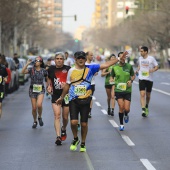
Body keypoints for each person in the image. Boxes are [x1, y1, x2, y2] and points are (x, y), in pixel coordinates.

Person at [56, 51, 123, 152]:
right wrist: (61, 97)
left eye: (83, 58)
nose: (81, 59)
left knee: (84, 124)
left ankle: (83, 143)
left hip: (86, 100)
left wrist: (118, 59)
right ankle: (75, 139)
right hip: (74, 100)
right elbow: (67, 85)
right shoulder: (71, 71)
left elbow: (105, 65)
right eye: (79, 58)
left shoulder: (90, 68)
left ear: (85, 58)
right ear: (75, 59)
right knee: (74, 122)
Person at [47, 53, 71, 145]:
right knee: (57, 115)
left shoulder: (68, 69)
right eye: (57, 58)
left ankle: (63, 128)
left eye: (61, 58)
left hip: (66, 96)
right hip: (56, 95)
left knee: (65, 117)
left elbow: (72, 81)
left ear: (64, 60)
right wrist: (49, 86)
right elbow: (49, 79)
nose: (59, 60)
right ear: (55, 60)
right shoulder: (51, 69)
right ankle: (58, 136)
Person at [110, 52, 135, 131]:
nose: (123, 59)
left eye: (124, 58)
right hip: (118, 90)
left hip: (127, 90)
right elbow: (111, 77)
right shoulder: (115, 67)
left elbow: (133, 76)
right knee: (121, 106)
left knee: (127, 109)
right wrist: (111, 80)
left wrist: (131, 80)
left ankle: (126, 114)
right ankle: (121, 124)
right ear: (118, 59)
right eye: (121, 58)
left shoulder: (129, 66)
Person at [21, 56, 48, 128]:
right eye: (35, 60)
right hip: (32, 90)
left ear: (41, 62)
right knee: (34, 108)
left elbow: (48, 78)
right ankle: (35, 121)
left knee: (39, 105)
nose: (36, 61)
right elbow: (22, 72)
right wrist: (27, 63)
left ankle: (39, 117)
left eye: (38, 60)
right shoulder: (31, 70)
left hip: (41, 90)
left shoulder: (43, 70)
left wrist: (49, 86)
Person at [136, 46, 159, 117]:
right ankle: (143, 109)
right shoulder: (140, 58)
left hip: (149, 79)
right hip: (141, 78)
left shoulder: (151, 58)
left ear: (146, 52)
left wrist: (152, 70)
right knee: (142, 94)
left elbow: (157, 66)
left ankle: (146, 105)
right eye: (140, 51)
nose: (141, 52)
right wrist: (137, 70)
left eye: (142, 51)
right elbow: (139, 66)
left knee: (148, 95)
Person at [85, 51, 98, 118]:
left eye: (92, 55)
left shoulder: (94, 64)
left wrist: (95, 73)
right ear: (87, 56)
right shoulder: (83, 64)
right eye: (91, 55)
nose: (92, 57)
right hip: (83, 84)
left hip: (91, 84)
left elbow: (96, 73)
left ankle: (89, 111)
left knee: (90, 98)